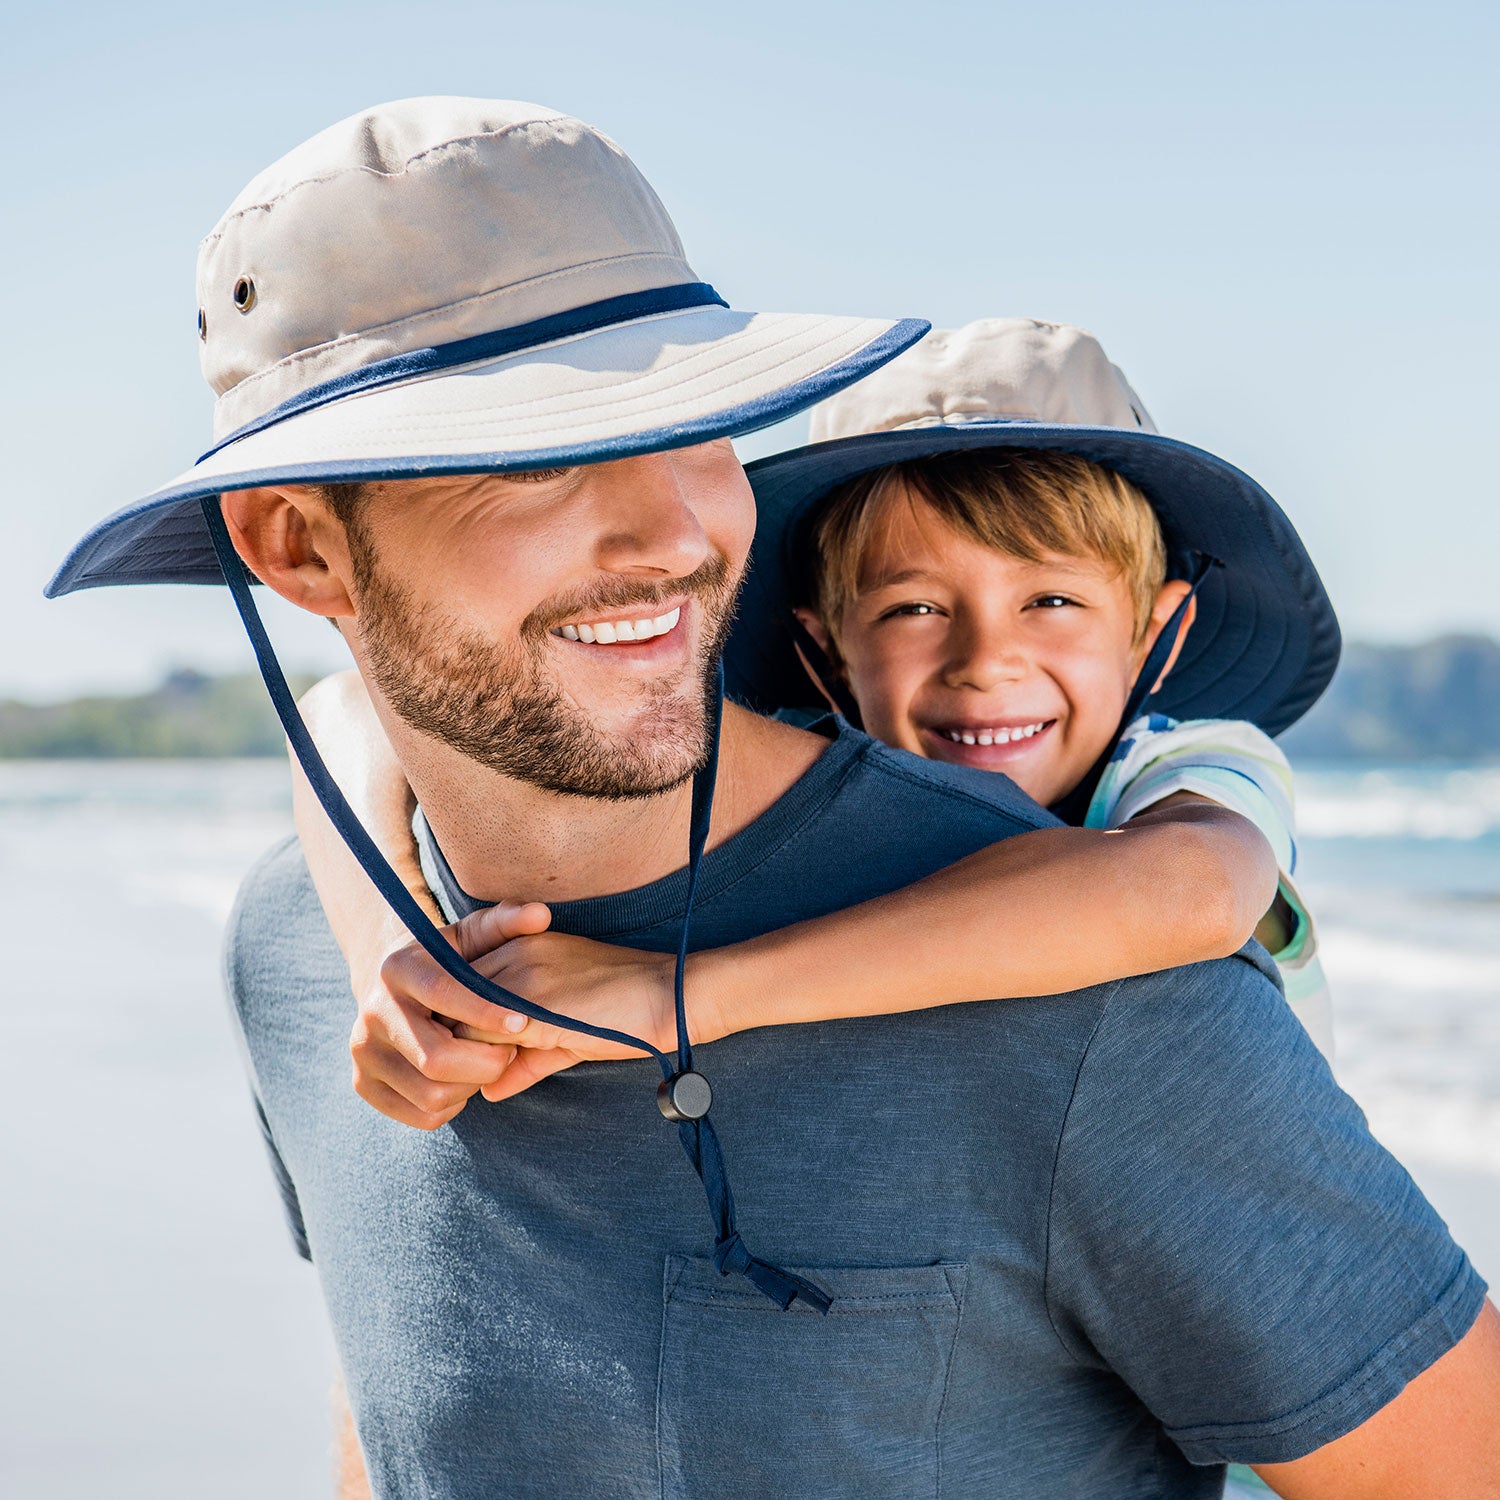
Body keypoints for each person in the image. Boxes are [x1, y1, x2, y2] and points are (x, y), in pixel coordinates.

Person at [47, 98, 1500, 1499]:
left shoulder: (1107, 983)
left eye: (698, 429)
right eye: (543, 454)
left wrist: (687, 994)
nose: (675, 532)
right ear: (297, 548)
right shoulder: (293, 946)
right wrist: (382, 948)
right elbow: (386, 1399)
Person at [300, 319, 1337, 1126]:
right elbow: (344, 709)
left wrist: (679, 995)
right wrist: (392, 950)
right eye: (914, 609)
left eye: (1054, 603)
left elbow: (1192, 890)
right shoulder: (810, 770)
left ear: (1159, 630)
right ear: (822, 644)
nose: (986, 664)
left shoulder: (1187, 770)